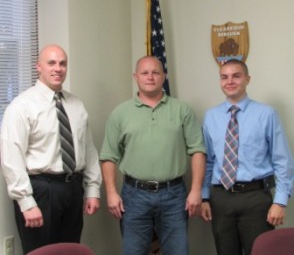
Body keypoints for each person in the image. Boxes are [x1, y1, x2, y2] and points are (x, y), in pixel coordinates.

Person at [100, 55, 206, 255]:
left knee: (178, 251)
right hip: (134, 196)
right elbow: (108, 156)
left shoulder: (182, 110)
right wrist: (111, 192)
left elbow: (198, 150)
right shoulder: (120, 113)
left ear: (164, 76)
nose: (150, 77)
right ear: (136, 77)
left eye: (156, 72)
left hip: (174, 195)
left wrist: (196, 190)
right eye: (145, 73)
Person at [0, 44, 102, 254]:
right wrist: (26, 202)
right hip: (40, 190)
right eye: (51, 63)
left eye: (62, 63)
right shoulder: (22, 106)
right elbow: (12, 158)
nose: (58, 68)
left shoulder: (76, 105)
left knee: (69, 250)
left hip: (73, 188)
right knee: (41, 252)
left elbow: (88, 150)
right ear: (39, 66)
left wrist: (92, 188)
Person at [201, 59, 294, 255]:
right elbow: (208, 161)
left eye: (236, 76)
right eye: (224, 77)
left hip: (256, 198)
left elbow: (282, 160)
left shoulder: (266, 114)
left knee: (260, 251)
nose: (230, 81)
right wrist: (205, 197)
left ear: (247, 79)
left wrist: (280, 201)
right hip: (221, 197)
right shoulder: (211, 116)